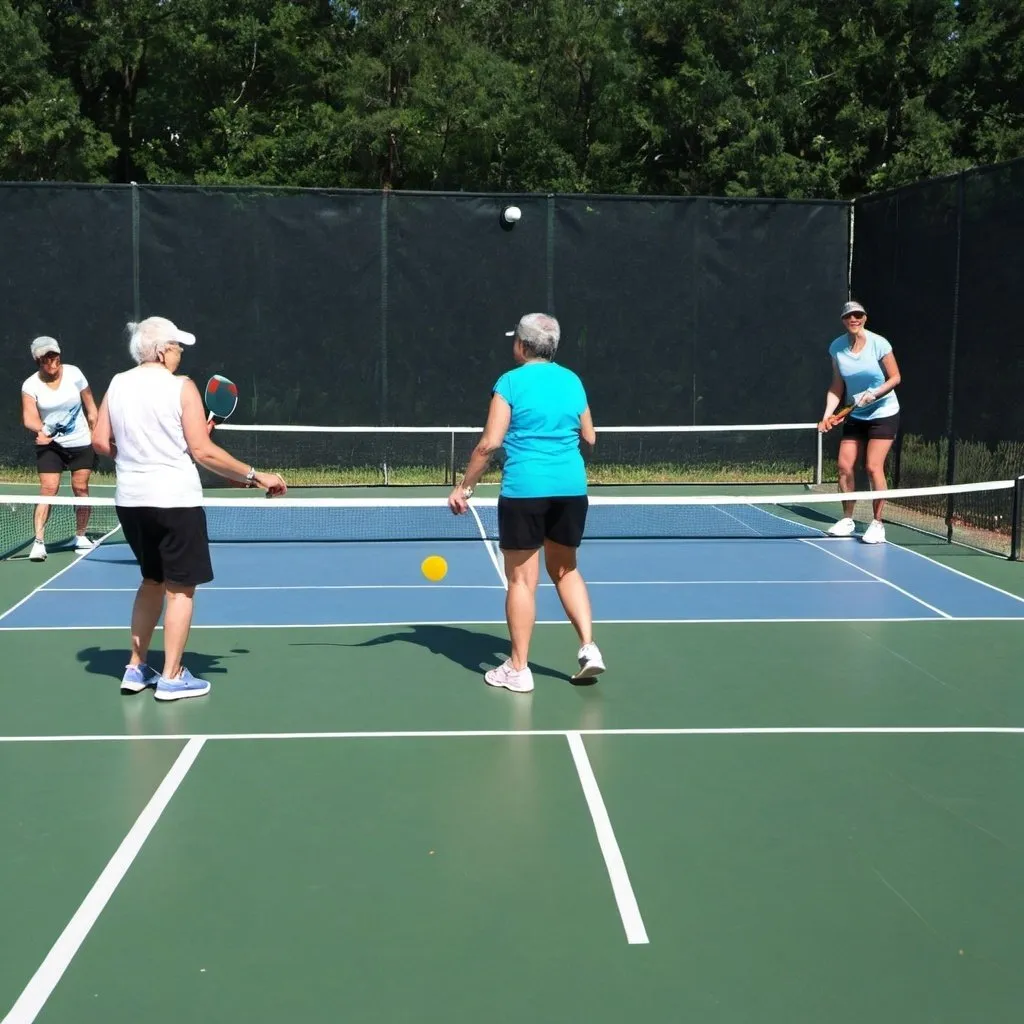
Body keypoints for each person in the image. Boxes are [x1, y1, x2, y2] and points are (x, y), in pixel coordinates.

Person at [92, 316, 286, 702]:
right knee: (180, 592)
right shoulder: (181, 387)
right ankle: (172, 675)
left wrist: (136, 458)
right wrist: (256, 475)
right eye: (177, 346)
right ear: (163, 351)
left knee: (151, 581)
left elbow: (100, 441)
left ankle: (135, 667)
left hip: (131, 501)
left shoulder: (117, 383)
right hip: (175, 501)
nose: (180, 352)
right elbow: (202, 451)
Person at [447, 313, 604, 693]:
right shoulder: (572, 380)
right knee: (566, 569)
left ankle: (518, 669)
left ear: (522, 345)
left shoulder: (510, 383)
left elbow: (489, 444)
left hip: (526, 489)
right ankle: (588, 647)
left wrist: (464, 487)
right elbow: (590, 436)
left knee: (521, 579)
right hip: (571, 488)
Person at [818, 300, 902, 544]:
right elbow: (837, 385)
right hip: (855, 414)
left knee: (873, 467)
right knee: (844, 466)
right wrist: (828, 414)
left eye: (858, 315)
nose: (853, 319)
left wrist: (874, 394)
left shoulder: (879, 343)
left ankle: (877, 523)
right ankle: (847, 519)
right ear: (844, 321)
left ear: (864, 318)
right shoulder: (836, 348)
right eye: (849, 316)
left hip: (883, 412)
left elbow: (895, 377)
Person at [20, 335, 99, 561]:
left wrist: (96, 432)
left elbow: (91, 406)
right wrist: (44, 431)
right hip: (51, 446)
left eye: (54, 355)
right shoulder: (30, 385)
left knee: (80, 488)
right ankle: (39, 542)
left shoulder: (74, 374)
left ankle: (80, 536)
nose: (51, 360)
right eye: (45, 357)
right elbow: (29, 418)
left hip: (81, 443)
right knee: (49, 489)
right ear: (37, 360)